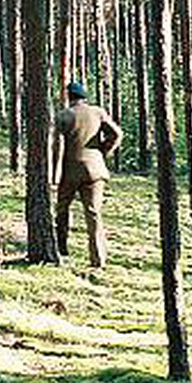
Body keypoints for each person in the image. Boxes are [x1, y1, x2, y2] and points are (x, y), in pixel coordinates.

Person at [53, 81, 123, 268]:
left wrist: (54, 172)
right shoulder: (98, 112)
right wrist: (103, 151)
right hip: (95, 171)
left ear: (69, 96)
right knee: (93, 214)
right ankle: (98, 259)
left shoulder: (64, 116)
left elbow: (56, 147)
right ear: (84, 96)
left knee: (61, 210)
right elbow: (117, 134)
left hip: (69, 171)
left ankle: (60, 249)